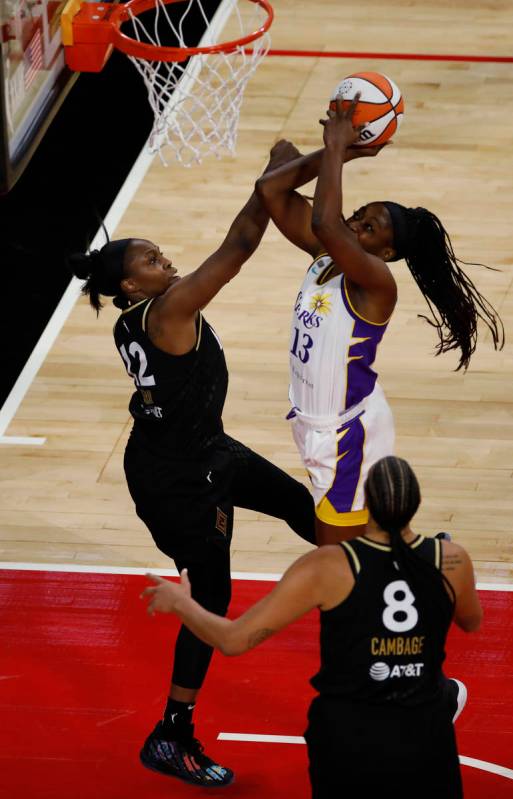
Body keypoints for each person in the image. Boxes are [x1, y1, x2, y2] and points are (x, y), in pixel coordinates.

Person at [67, 149, 318, 788]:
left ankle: (372, 581)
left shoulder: (143, 313)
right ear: (131, 286)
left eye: (159, 253)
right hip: (175, 479)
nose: (165, 261)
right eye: (150, 261)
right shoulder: (170, 312)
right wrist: (277, 180)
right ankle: (172, 732)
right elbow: (238, 245)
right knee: (212, 596)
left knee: (303, 509)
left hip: (204, 450)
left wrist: (278, 182)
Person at [142, 455, 482, 798]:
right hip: (425, 731)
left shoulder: (325, 567)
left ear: (365, 507)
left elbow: (232, 641)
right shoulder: (451, 560)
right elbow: (471, 621)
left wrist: (182, 603)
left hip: (346, 739)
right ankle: (442, 697)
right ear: (417, 504)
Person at [255, 96, 504, 546]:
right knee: (363, 549)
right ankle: (428, 556)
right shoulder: (325, 253)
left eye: (368, 228)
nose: (354, 224)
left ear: (386, 253)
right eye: (358, 214)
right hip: (317, 420)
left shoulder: (376, 282)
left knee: (341, 567)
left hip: (347, 434)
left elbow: (327, 222)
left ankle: (427, 563)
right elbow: (271, 191)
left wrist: (335, 149)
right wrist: (342, 151)